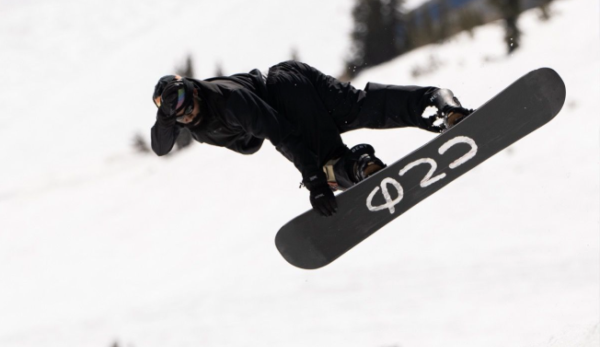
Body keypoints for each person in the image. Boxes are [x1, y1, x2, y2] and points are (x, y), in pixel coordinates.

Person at [151, 61, 472, 216]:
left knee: (324, 163)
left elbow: (281, 134)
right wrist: (165, 119)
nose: (186, 114)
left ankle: (360, 167)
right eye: (177, 115)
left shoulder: (229, 101)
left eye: (187, 104)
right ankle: (440, 105)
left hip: (285, 94)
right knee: (361, 108)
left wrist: (315, 181)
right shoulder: (185, 118)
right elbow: (160, 147)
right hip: (294, 81)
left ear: (194, 90)